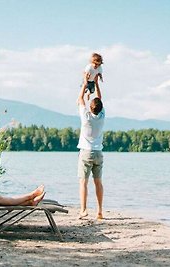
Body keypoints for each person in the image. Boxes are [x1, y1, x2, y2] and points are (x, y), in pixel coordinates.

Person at [76, 73, 105, 220]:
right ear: (100, 108)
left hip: (86, 153)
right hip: (98, 153)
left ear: (91, 108)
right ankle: (99, 211)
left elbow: (80, 99)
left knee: (83, 182)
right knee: (98, 182)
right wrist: (96, 83)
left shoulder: (86, 117)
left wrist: (85, 83)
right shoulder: (101, 116)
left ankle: (83, 210)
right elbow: (100, 99)